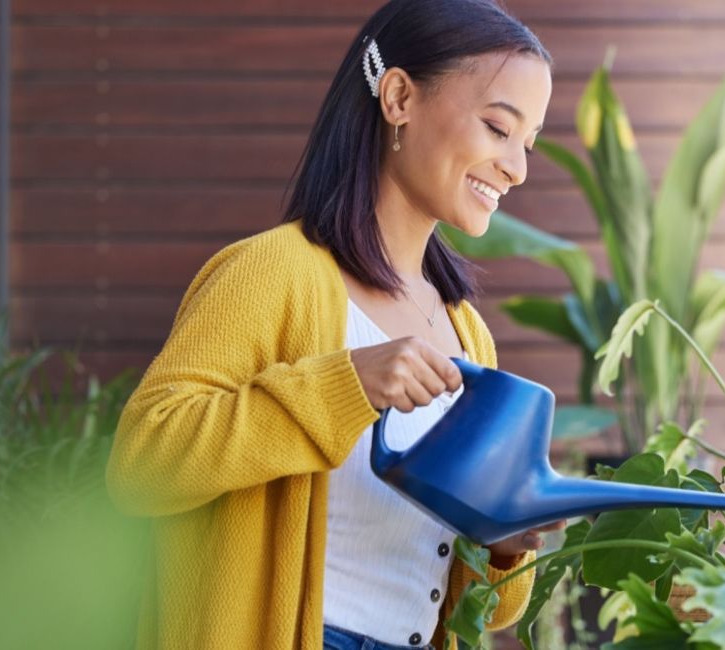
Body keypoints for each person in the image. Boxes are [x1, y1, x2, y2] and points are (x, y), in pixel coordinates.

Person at [105, 1, 566, 648]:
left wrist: (504, 542)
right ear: (399, 98)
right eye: (498, 128)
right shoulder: (270, 273)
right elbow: (141, 465)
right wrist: (344, 385)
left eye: (528, 144)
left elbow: (481, 611)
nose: (516, 167)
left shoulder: (468, 333)